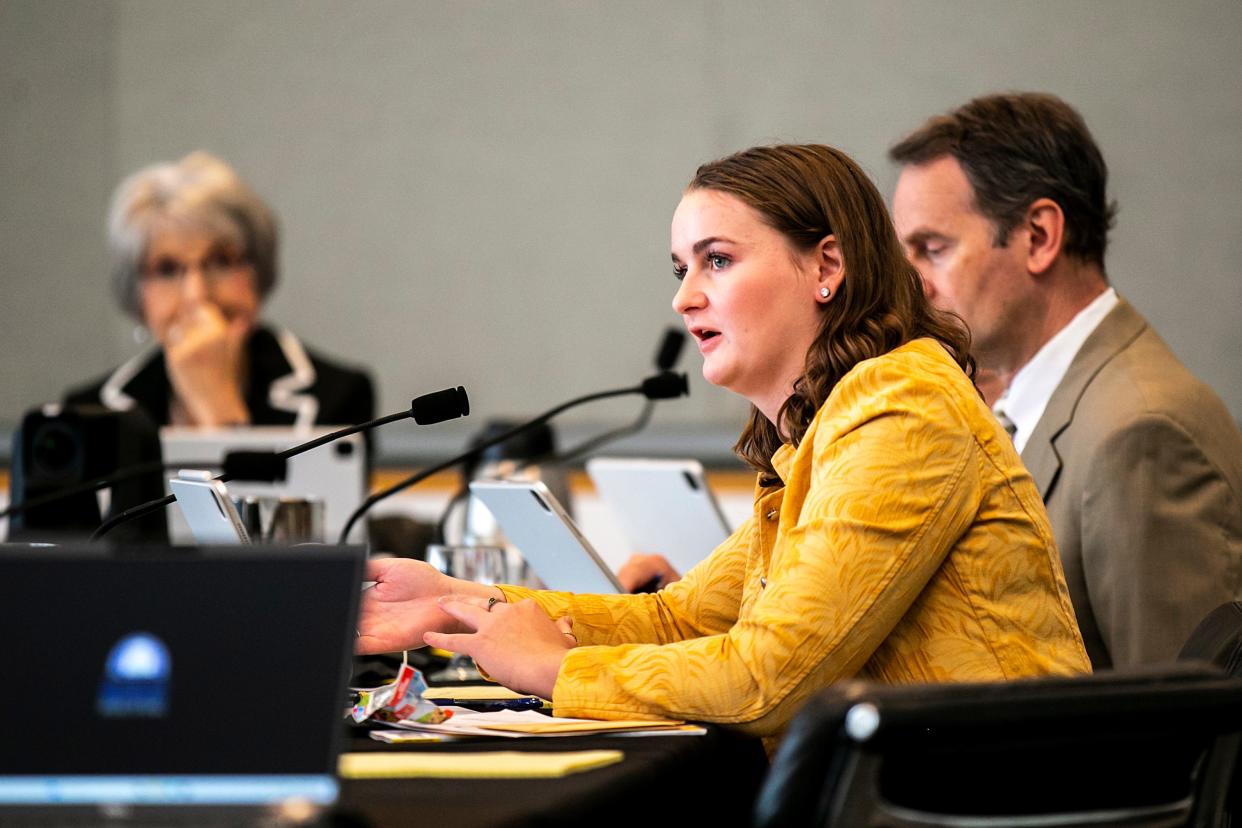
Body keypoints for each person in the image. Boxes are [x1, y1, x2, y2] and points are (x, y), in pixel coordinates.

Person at [357, 144, 1089, 744]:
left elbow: (767, 678)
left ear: (826, 267)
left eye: (717, 260)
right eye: (682, 270)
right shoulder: (821, 433)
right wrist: (454, 601)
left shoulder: (903, 408)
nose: (683, 299)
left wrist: (555, 672)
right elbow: (681, 618)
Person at [890, 92, 1242, 669]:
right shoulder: (1011, 401)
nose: (912, 284)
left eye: (932, 249)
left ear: (1038, 236)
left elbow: (1176, 737)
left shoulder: (1141, 433)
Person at [65, 152, 374, 429]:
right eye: (167, 269)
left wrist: (218, 410)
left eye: (221, 262)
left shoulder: (339, 397)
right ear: (136, 292)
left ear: (257, 271)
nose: (197, 294)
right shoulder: (87, 412)